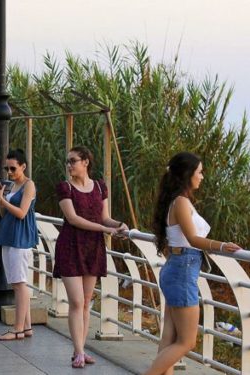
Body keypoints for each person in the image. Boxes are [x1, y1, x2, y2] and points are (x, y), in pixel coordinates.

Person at [145, 152, 241, 374]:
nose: (202, 176)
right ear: (187, 174)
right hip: (182, 270)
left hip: (179, 268)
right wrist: (222, 245)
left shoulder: (178, 200)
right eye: (199, 172)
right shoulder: (180, 202)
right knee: (187, 342)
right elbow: (193, 239)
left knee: (169, 337)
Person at [53, 146, 128, 368]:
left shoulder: (99, 187)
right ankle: (77, 351)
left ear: (85, 162)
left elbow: (104, 217)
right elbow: (73, 218)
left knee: (86, 302)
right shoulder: (65, 187)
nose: (69, 165)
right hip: (71, 245)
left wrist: (118, 225)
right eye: (67, 161)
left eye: (73, 161)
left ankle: (82, 349)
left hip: (92, 247)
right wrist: (104, 230)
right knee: (76, 301)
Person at [0, 150, 38, 340]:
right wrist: (1, 200)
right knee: (16, 281)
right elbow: (6, 214)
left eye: (13, 168)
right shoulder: (12, 186)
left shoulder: (29, 185)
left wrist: (1, 200)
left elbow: (21, 213)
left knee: (19, 284)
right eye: (7, 168)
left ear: (23, 167)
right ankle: (26, 326)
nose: (9, 172)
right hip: (8, 234)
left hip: (20, 237)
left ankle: (17, 327)